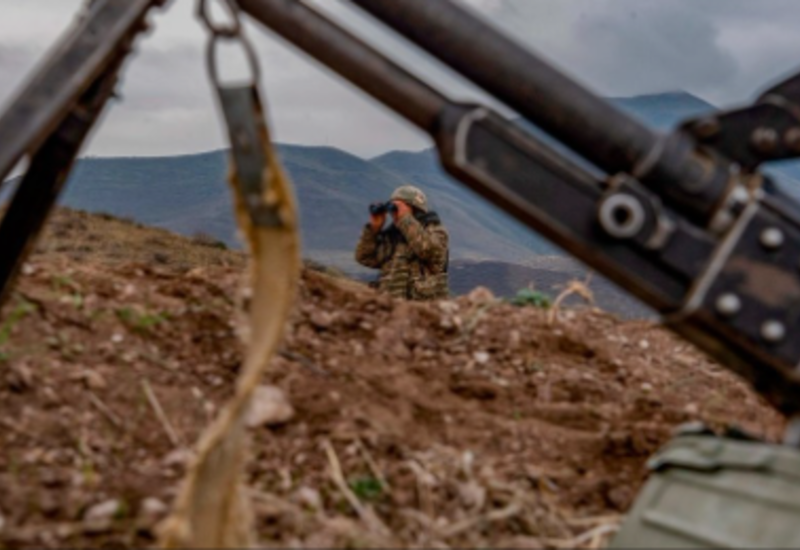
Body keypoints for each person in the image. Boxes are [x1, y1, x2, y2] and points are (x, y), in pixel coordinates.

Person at [355, 185, 449, 300]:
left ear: (414, 209)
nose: (394, 213)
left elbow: (428, 251)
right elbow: (364, 257)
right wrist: (373, 230)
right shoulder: (392, 237)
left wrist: (405, 219)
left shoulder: (435, 230)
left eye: (397, 208)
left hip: (423, 306)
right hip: (392, 305)